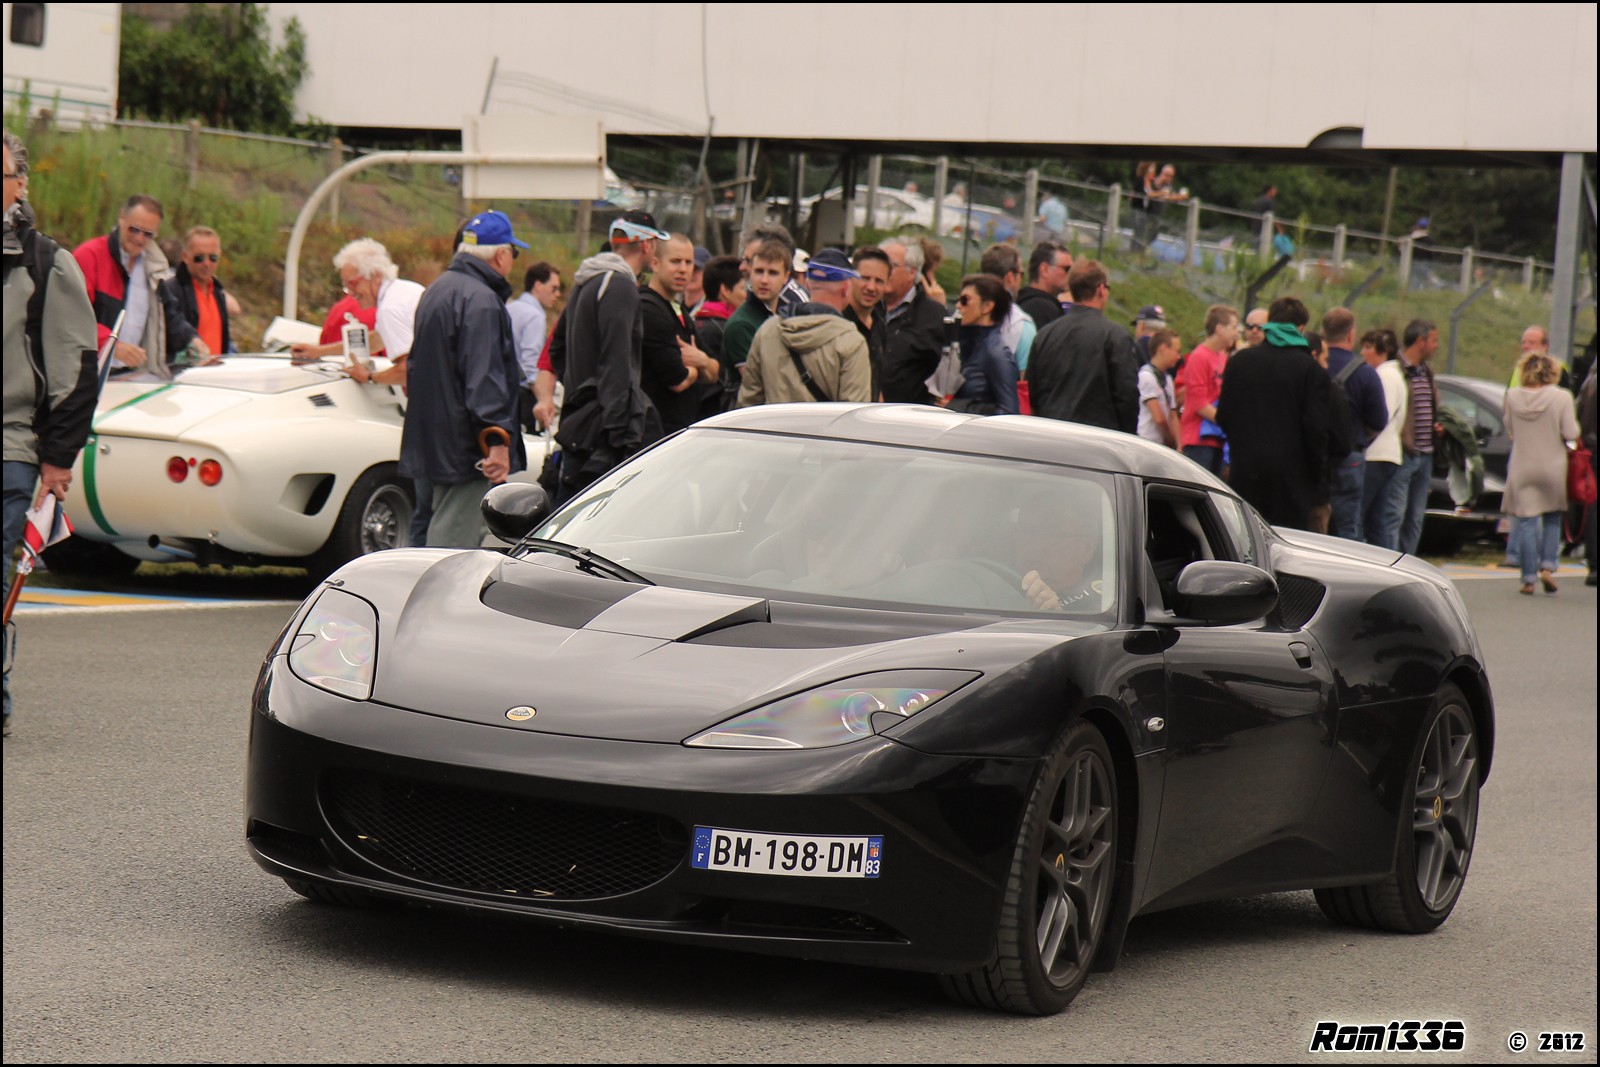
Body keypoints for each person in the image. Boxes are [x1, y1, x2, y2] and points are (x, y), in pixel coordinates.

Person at [3, 128, 100, 737]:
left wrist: (58, 457)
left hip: (10, 447)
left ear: (19, 186)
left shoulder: (47, 264)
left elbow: (77, 368)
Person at [399, 210, 528, 548]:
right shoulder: (482, 300)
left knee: (424, 530)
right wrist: (497, 439)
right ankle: (438, 603)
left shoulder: (437, 289)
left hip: (428, 437)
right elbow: (484, 378)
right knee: (452, 542)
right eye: (513, 252)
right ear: (501, 254)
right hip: (463, 445)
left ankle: (411, 599)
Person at [556, 211, 670, 502]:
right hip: (602, 435)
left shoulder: (586, 280)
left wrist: (578, 394)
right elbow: (616, 363)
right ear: (646, 245)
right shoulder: (620, 285)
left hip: (578, 427)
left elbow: (557, 350)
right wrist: (619, 435)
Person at [1214, 296, 1330, 531]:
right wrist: (1316, 477)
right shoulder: (1311, 371)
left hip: (1244, 473)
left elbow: (1223, 416)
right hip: (1291, 482)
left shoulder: (1240, 362)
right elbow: (1315, 431)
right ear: (1301, 329)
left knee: (1243, 544)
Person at [74, 194, 196, 373]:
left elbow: (169, 314)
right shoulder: (89, 255)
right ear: (121, 218)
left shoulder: (153, 269)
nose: (139, 238)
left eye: (148, 234)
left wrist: (192, 339)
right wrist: (111, 344)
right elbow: (72, 315)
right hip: (86, 373)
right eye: (134, 230)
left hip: (129, 375)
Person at [737, 249, 871, 407]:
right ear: (847, 289)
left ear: (807, 284)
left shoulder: (769, 330)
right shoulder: (852, 342)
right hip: (821, 432)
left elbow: (748, 402)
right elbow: (852, 414)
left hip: (772, 430)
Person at [1026, 260, 1139, 433]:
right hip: (1097, 438)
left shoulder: (1045, 335)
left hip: (1050, 435)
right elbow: (1127, 395)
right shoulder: (1115, 336)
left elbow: (1033, 392)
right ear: (1101, 289)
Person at [1502, 353, 1580, 594]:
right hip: (1553, 466)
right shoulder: (1562, 397)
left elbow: (1510, 428)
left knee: (1526, 522)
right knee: (1553, 517)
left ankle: (1528, 578)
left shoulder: (1512, 396)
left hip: (1522, 466)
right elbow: (1570, 432)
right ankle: (1548, 566)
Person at [1375, 320, 1443, 555]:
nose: (1436, 346)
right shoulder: (1397, 371)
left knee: (1415, 518)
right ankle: (1391, 561)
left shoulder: (1426, 372)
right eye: (1433, 340)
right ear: (1420, 341)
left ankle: (1409, 562)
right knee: (1394, 513)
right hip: (1405, 454)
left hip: (1426, 455)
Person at [1321, 307, 1389, 541]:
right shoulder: (1366, 374)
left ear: (1323, 332)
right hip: (1350, 455)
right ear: (1351, 335)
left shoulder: (1312, 365)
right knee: (1347, 525)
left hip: (1313, 455)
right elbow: (1380, 420)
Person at [640, 233, 718, 433]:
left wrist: (699, 360)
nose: (683, 270)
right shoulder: (648, 308)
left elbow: (716, 372)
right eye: (675, 261)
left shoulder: (679, 310)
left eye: (688, 262)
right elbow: (678, 380)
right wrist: (697, 369)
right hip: (654, 433)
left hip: (680, 431)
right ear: (655, 263)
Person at [878, 237, 948, 404]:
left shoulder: (934, 317)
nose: (884, 272)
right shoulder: (866, 309)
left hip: (906, 420)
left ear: (912, 272)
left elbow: (946, 377)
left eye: (892, 266)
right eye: (881, 265)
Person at [939, 274, 1018, 415]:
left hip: (976, 434)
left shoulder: (996, 353)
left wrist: (956, 407)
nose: (958, 305)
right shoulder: (963, 344)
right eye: (958, 299)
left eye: (965, 300)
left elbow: (1009, 412)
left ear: (987, 306)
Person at [1357, 329, 1408, 547]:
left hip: (1376, 454)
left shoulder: (1384, 376)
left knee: (1361, 515)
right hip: (1389, 453)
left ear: (1384, 351)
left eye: (1368, 347)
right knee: (1377, 520)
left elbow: (1380, 417)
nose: (1363, 353)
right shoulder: (1396, 376)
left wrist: (1361, 439)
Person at [1176, 304, 1238, 476]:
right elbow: (1198, 402)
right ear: (1219, 329)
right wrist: (1226, 421)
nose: (1236, 333)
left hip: (1216, 439)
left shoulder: (1222, 357)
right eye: (1233, 327)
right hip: (1198, 440)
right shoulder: (1199, 356)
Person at [1016, 492, 1102, 613]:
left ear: (1086, 548)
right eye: (1026, 530)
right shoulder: (989, 587)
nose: (1035, 545)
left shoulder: (1103, 608)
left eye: (1052, 534)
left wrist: (1054, 615)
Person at [158, 225, 231, 363]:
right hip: (185, 378)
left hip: (217, 376)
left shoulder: (218, 292)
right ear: (185, 256)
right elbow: (174, 326)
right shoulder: (171, 290)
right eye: (199, 258)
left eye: (213, 257)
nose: (207, 263)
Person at [723, 231, 793, 370]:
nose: (764, 280)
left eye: (773, 273)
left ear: (786, 277)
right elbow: (759, 380)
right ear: (750, 272)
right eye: (759, 271)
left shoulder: (788, 315)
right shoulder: (741, 324)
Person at [507, 261, 561, 433]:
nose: (558, 294)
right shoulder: (534, 316)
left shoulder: (510, 307)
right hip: (521, 395)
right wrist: (543, 399)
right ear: (538, 286)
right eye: (554, 288)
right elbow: (530, 364)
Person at [693, 254, 745, 410]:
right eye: (743, 288)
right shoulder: (725, 330)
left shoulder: (697, 322)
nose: (747, 294)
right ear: (725, 291)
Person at [979, 243, 1036, 375]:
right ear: (1010, 277)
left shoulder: (962, 312)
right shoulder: (1022, 326)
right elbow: (1024, 384)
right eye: (1021, 274)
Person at [844, 246, 890, 398]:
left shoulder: (880, 323)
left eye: (879, 281)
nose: (871, 287)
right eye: (865, 278)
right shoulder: (839, 323)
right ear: (851, 277)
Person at [1137, 328, 1182, 448]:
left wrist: (1179, 446)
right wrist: (1171, 442)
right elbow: (1159, 419)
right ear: (1163, 349)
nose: (1178, 357)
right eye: (1176, 351)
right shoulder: (1146, 375)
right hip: (1148, 442)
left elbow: (1173, 414)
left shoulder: (1167, 378)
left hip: (1163, 444)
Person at [1017, 242, 1070, 329]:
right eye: (1066, 269)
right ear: (1044, 269)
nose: (1070, 274)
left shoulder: (1020, 303)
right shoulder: (1044, 310)